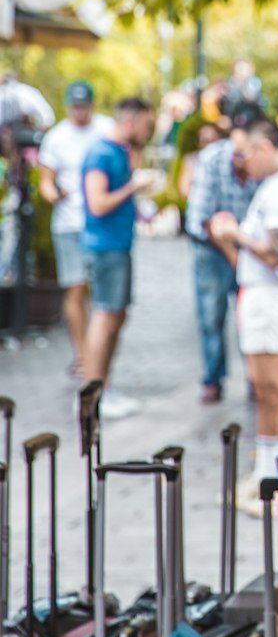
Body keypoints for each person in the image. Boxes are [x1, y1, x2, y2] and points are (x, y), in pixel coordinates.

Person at [208, 118, 278, 508]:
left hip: (274, 300)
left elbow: (276, 254)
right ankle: (269, 475)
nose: (240, 164)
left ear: (264, 148)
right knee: (267, 390)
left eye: (243, 154)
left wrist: (234, 233)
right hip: (262, 297)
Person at [79, 96, 158, 417]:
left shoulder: (120, 152)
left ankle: (103, 387)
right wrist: (132, 188)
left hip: (118, 245)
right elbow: (97, 203)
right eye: (146, 125)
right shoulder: (100, 153)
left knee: (115, 316)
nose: (148, 131)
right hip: (105, 248)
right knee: (104, 316)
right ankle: (92, 391)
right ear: (130, 121)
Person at [36, 81, 115, 376]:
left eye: (84, 106)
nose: (80, 112)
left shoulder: (105, 130)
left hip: (101, 222)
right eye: (75, 106)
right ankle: (82, 354)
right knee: (75, 287)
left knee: (104, 294)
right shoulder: (56, 137)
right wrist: (54, 194)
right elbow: (46, 180)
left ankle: (98, 352)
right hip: (69, 223)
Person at [184, 107, 258, 404]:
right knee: (212, 315)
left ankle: (255, 377)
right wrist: (232, 254)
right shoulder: (213, 158)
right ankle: (213, 378)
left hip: (248, 246)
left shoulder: (261, 163)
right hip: (211, 246)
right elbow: (202, 217)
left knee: (251, 315)